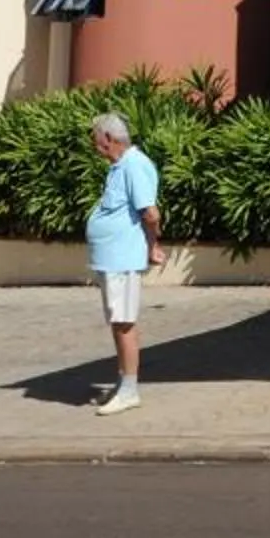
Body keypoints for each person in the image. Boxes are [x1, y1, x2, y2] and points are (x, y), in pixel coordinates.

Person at [85, 111, 162, 417]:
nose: (94, 145)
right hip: (112, 258)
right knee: (119, 322)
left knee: (124, 322)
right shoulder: (120, 166)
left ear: (109, 138)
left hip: (122, 258)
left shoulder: (134, 165)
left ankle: (129, 390)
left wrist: (153, 245)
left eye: (96, 138)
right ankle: (123, 382)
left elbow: (150, 213)